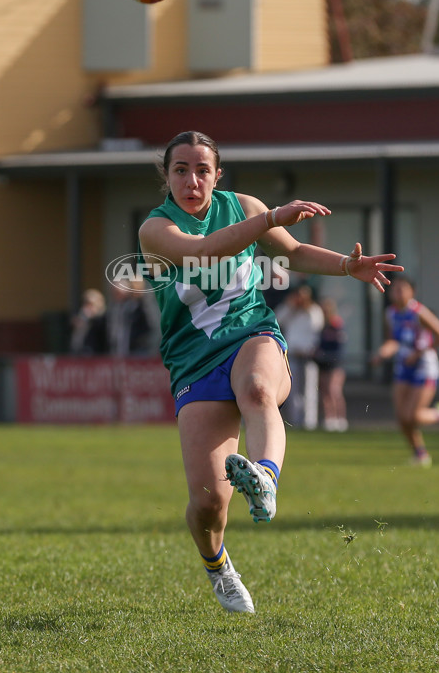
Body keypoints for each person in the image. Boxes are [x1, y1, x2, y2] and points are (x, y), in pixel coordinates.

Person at [138, 130, 403, 613]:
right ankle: (219, 567)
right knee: (207, 503)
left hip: (251, 333)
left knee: (259, 389)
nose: (192, 180)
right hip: (193, 359)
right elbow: (204, 253)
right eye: (181, 170)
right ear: (167, 177)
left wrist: (348, 265)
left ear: (218, 175)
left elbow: (293, 253)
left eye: (202, 169)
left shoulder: (241, 205)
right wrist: (268, 218)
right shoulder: (155, 229)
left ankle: (265, 476)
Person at [371, 275, 439, 467]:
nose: (398, 292)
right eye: (396, 289)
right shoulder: (390, 314)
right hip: (403, 367)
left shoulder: (419, 312)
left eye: (403, 288)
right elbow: (393, 341)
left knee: (414, 415)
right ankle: (420, 455)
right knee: (402, 417)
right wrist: (381, 354)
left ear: (412, 292)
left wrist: (419, 353)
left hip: (424, 368)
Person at [275, 282, 324, 430]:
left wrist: (305, 307)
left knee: (310, 390)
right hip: (293, 355)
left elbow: (317, 325)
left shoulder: (314, 310)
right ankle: (296, 421)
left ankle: (309, 423)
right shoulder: (289, 310)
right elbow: (277, 320)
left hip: (308, 356)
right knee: (293, 390)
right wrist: (291, 307)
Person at [315, 297, 348, 432]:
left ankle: (340, 418)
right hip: (322, 362)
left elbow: (339, 343)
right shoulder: (320, 325)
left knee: (334, 390)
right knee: (324, 391)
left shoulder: (336, 324)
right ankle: (329, 418)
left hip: (335, 362)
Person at [70, 288, 108, 355]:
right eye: (85, 303)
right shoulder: (82, 317)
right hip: (80, 355)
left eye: (90, 304)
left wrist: (91, 320)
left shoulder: (103, 319)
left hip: (97, 357)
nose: (87, 307)